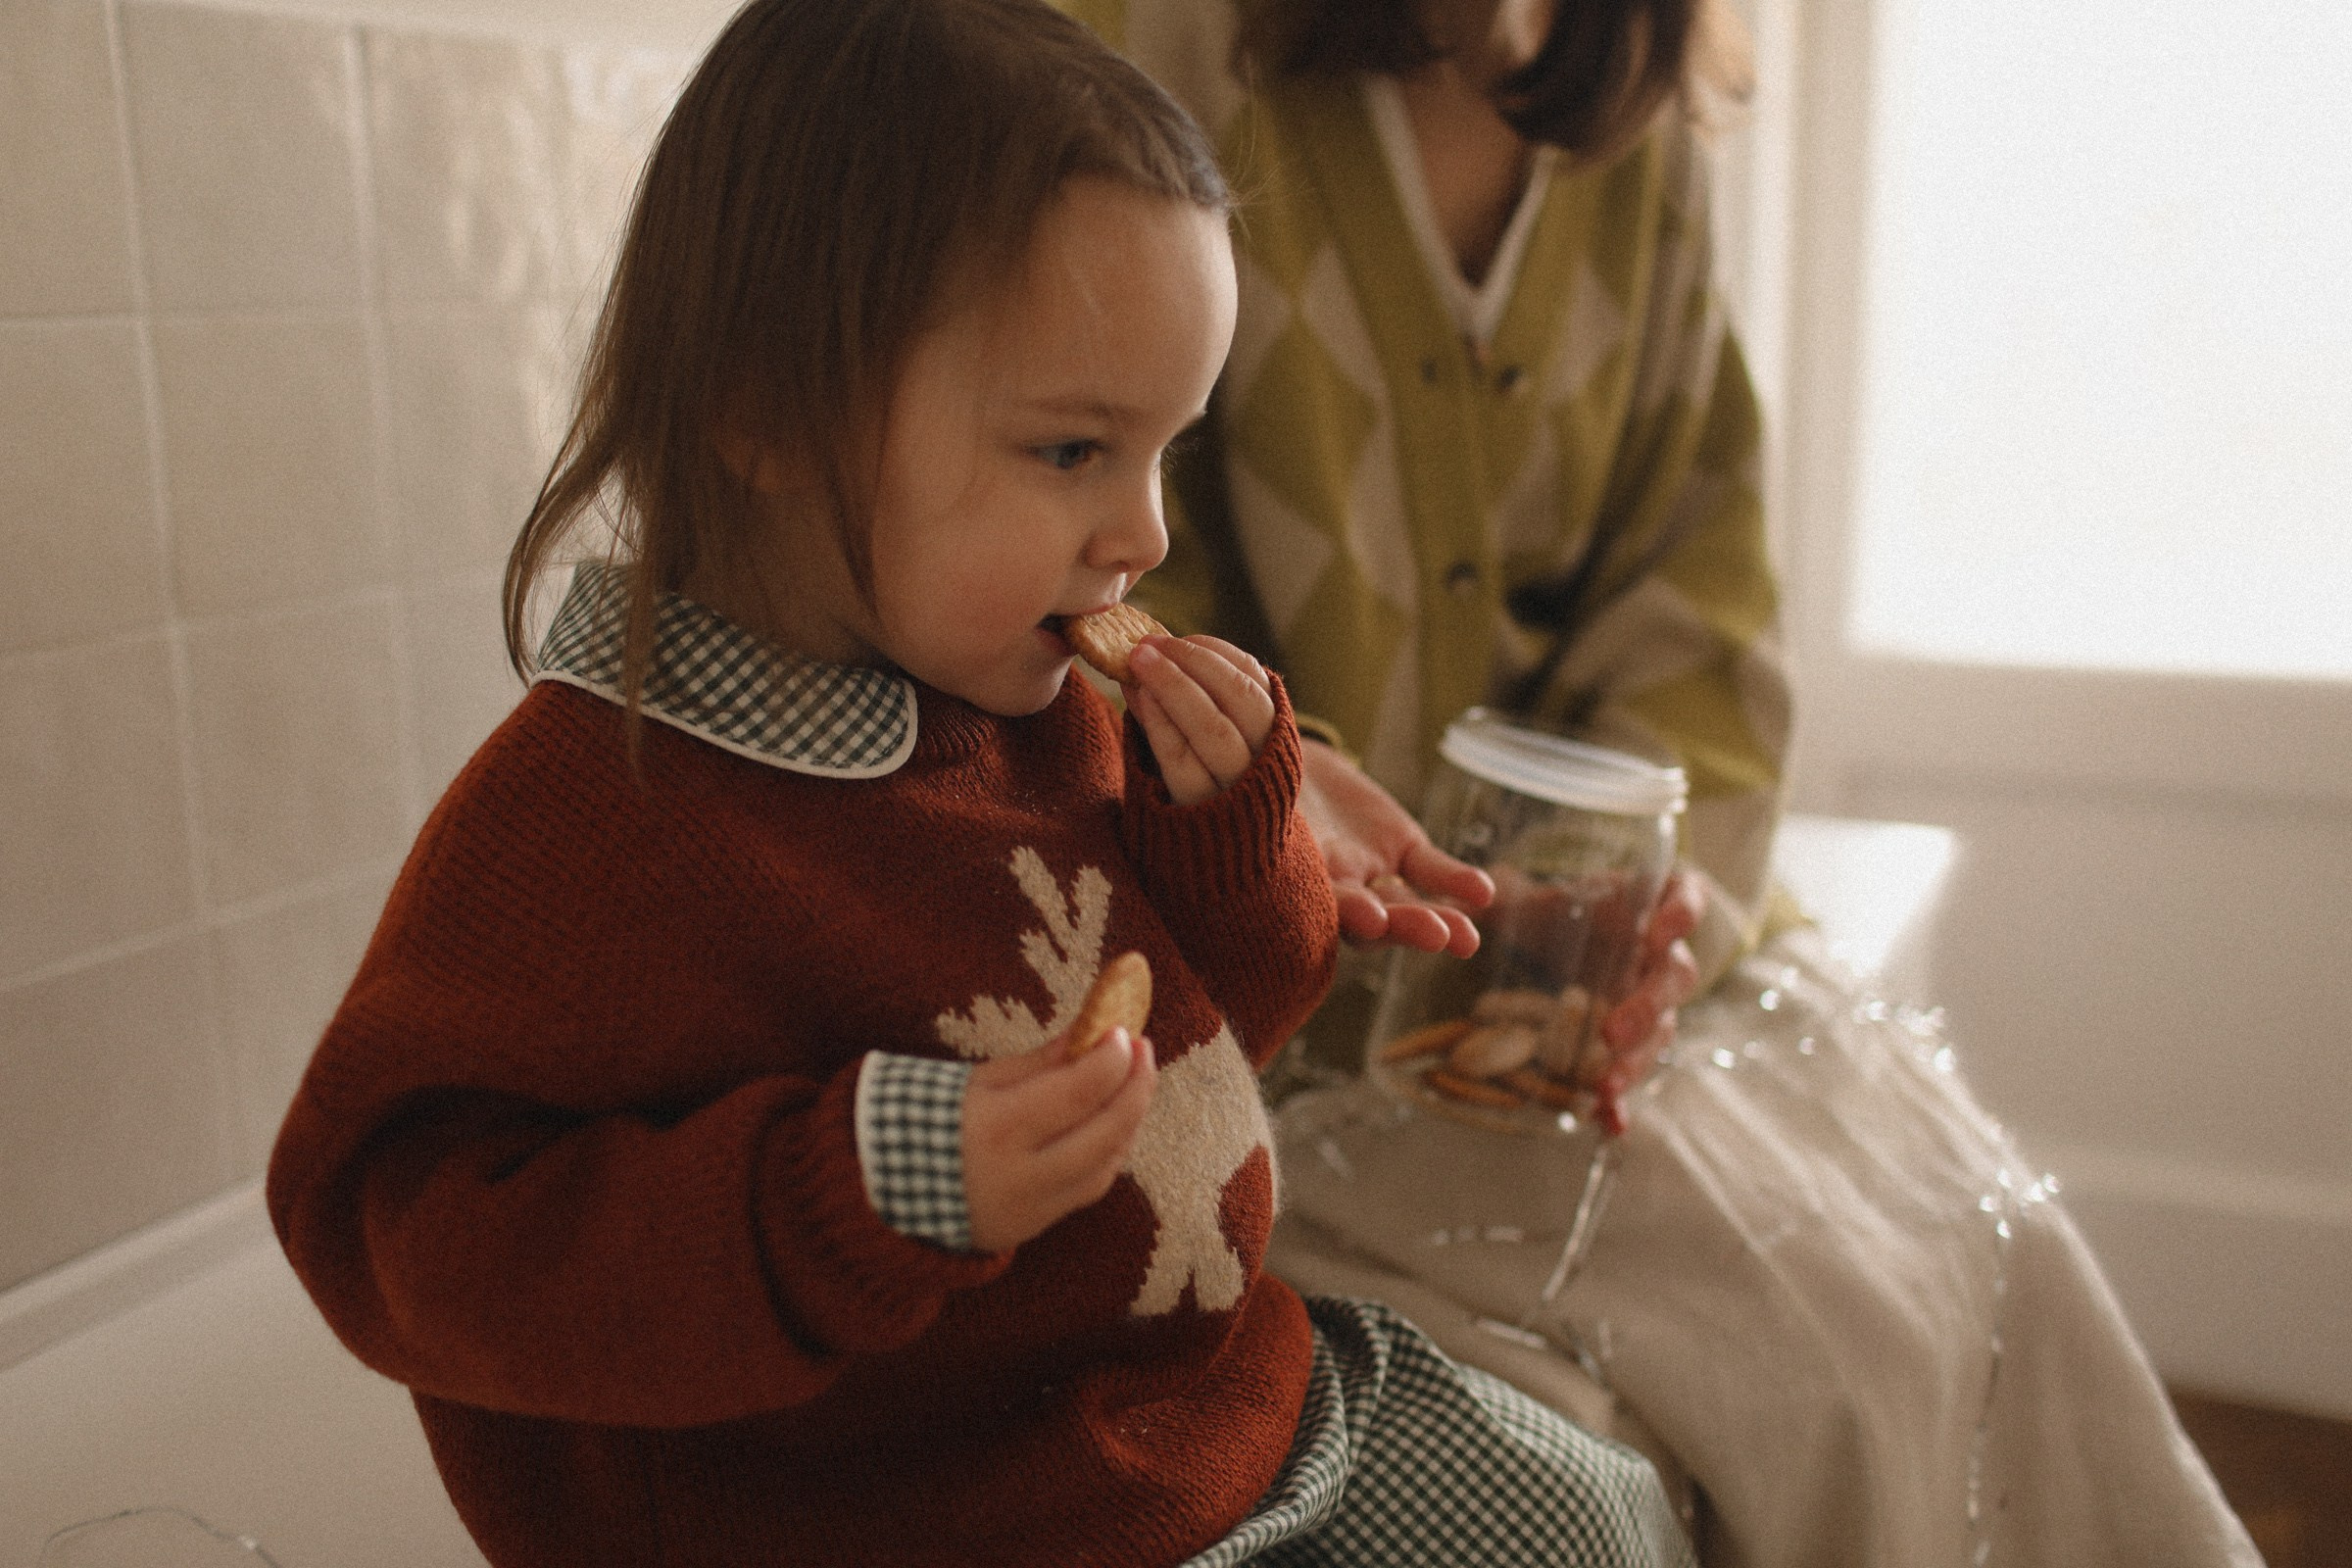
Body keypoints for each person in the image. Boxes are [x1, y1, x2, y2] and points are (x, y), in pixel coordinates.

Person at [266, 2, 1698, 1564]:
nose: (1146, 534)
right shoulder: (599, 822)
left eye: (1169, 450)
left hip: (1191, 1423)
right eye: (1076, 451)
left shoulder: (1026, 705)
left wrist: (1232, 844)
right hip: (910, 1519)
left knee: (1597, 1522)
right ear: (769, 408)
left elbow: (1231, 1041)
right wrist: (861, 1187)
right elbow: (389, 1233)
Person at [1057, 0, 2266, 1563]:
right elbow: (1084, 591)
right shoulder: (1127, 60)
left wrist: (1636, 899)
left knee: (1989, 1264)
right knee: (1797, 1367)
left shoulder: (1637, 122)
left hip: (1578, 994)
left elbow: (1696, 580)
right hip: (1256, 982)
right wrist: (1284, 808)